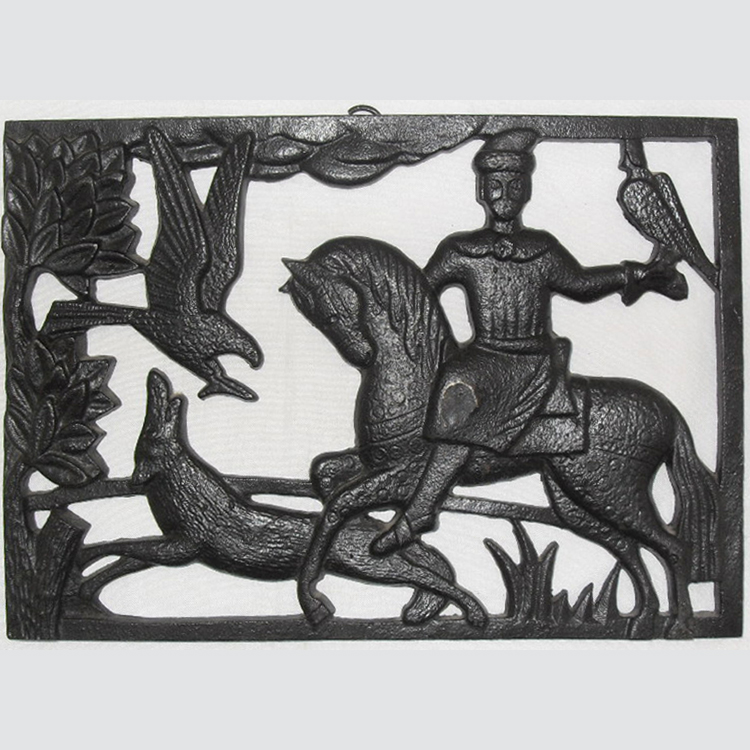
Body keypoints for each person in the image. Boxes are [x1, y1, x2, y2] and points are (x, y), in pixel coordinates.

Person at [372, 128, 686, 555]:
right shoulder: (461, 250)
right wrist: (377, 305)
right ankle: (423, 501)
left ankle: (419, 513)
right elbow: (420, 296)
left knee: (458, 388)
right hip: (485, 353)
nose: (504, 195)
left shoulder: (541, 249)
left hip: (531, 361)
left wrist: (634, 275)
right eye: (495, 185)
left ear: (527, 190)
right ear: (482, 190)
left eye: (514, 185)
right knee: (455, 376)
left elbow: (580, 284)